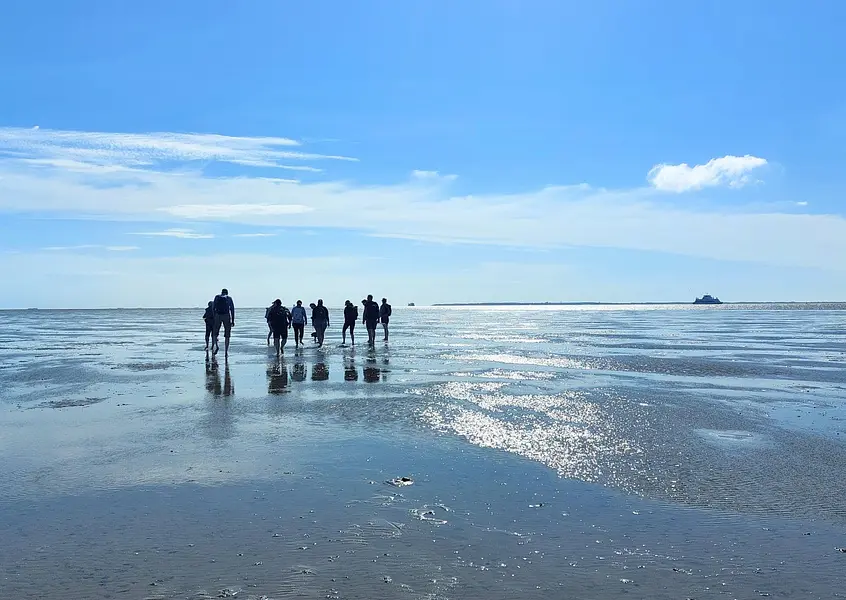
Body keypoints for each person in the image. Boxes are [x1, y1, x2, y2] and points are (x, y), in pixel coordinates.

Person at [212, 288, 235, 358]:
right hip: (226, 316)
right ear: (227, 293)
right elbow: (232, 309)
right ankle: (226, 352)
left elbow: (213, 308)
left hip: (218, 315)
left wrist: (214, 317)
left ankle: (216, 346)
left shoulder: (217, 297)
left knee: (215, 333)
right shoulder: (229, 298)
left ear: (221, 292)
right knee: (227, 335)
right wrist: (233, 320)